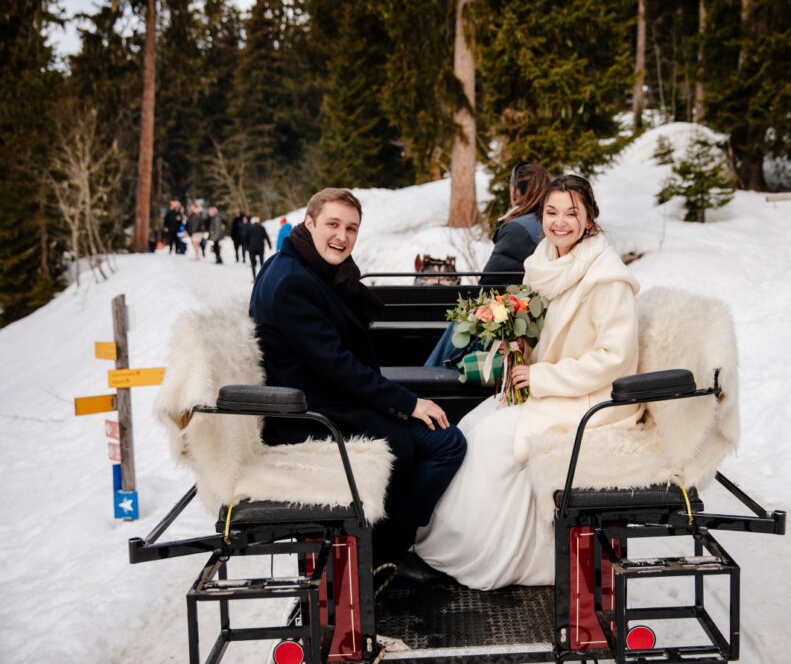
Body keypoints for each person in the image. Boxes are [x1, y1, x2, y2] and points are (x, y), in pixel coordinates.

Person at [416, 175, 643, 590]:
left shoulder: (606, 278)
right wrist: (519, 347)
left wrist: (540, 376)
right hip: (554, 386)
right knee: (472, 425)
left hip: (592, 398)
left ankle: (484, 555)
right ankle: (449, 538)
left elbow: (612, 359)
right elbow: (554, 335)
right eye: (552, 213)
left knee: (493, 443)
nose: (560, 223)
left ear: (590, 217)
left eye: (572, 213)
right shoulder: (547, 262)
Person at [249, 187, 466, 572]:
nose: (342, 236)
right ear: (309, 223)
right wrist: (409, 402)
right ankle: (388, 551)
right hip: (310, 413)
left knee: (434, 433)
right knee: (444, 444)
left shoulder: (300, 266)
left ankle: (389, 545)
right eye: (332, 224)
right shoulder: (292, 283)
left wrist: (400, 399)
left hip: (326, 395)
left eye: (351, 228)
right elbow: (338, 367)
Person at [424, 163, 549, 366]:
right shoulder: (544, 226)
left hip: (514, 322)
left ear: (516, 192)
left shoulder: (517, 230)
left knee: (461, 327)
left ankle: (425, 382)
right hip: (531, 317)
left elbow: (488, 288)